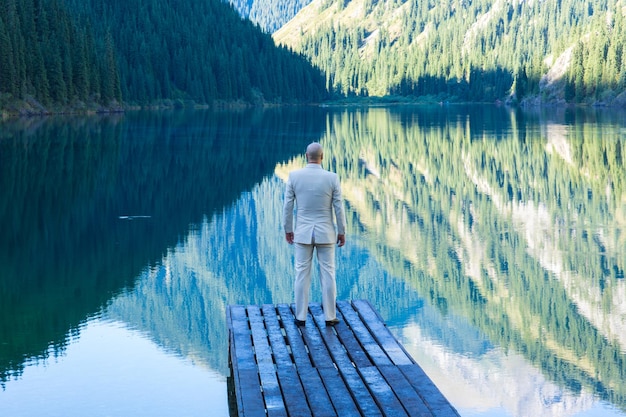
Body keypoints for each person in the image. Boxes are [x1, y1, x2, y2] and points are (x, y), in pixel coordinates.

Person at [283, 142, 347, 326]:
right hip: (326, 233)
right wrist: (341, 231)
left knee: (302, 274)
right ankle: (330, 316)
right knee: (328, 273)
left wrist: (288, 229)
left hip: (302, 233)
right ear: (322, 157)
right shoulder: (332, 178)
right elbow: (338, 208)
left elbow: (288, 207)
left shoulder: (294, 177)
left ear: (305, 156)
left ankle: (300, 316)